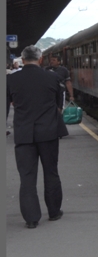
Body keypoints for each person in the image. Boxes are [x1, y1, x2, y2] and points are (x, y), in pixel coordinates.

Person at [7, 45, 67, 228]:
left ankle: (31, 219)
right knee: (51, 172)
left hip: (24, 134)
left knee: (26, 176)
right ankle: (54, 212)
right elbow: (59, 104)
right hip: (48, 133)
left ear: (22, 60)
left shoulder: (11, 80)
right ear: (40, 59)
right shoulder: (52, 77)